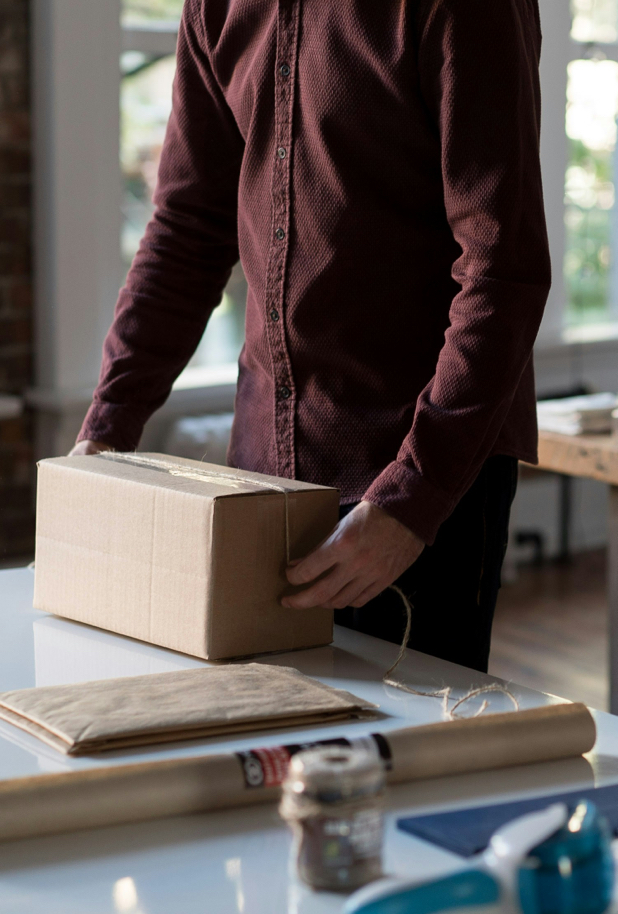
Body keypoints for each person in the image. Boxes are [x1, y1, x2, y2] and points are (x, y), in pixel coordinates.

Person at [72, 0, 551, 673]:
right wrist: (104, 434)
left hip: (420, 480)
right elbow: (186, 231)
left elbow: (503, 271)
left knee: (403, 766)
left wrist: (411, 500)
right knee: (264, 758)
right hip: (258, 484)